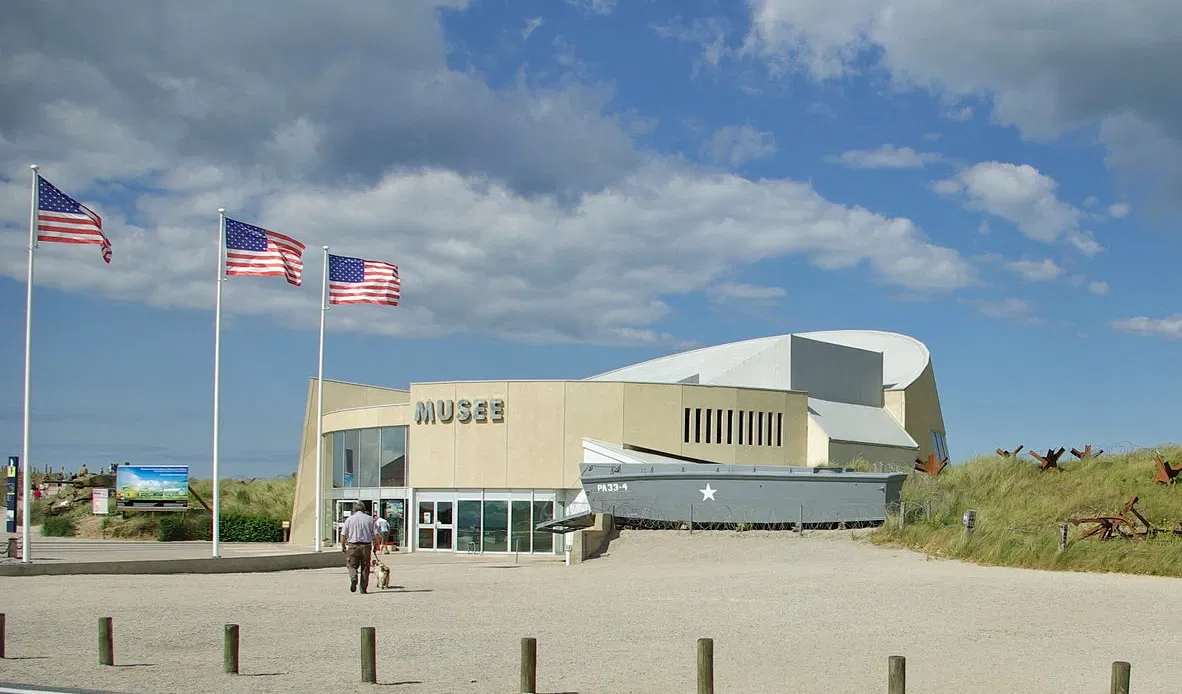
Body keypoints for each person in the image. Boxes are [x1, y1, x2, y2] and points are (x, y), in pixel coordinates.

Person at [339, 502, 376, 593]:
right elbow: (376, 535)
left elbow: (343, 534)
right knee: (365, 567)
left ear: (354, 510)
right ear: (364, 510)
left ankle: (353, 577)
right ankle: (363, 588)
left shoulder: (349, 519)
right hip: (366, 546)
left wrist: (343, 545)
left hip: (353, 546)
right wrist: (375, 546)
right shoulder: (370, 519)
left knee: (351, 564)